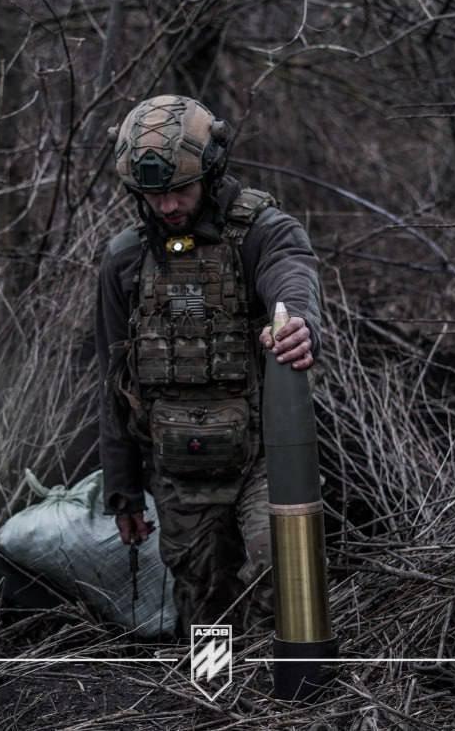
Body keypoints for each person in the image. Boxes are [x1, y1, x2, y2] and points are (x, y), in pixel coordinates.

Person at [95, 94, 322, 633]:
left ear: (211, 171)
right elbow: (112, 379)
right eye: (154, 195)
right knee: (203, 601)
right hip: (177, 468)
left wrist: (296, 323)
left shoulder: (263, 231)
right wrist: (123, 490)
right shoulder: (125, 260)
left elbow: (292, 273)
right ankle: (214, 699)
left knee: (281, 568)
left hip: (262, 455)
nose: (168, 206)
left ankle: (284, 700)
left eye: (179, 190)